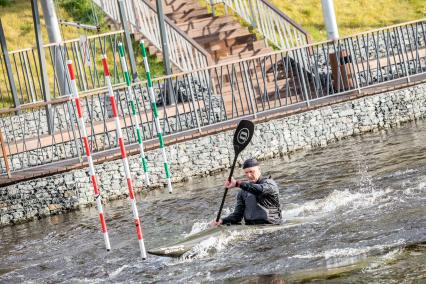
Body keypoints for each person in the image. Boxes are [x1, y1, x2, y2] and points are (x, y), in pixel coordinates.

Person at [212, 158, 282, 226]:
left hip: (271, 225)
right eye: (246, 172)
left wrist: (237, 184)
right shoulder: (242, 192)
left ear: (259, 170)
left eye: (251, 171)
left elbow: (259, 189)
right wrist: (222, 221)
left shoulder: (270, 184)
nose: (248, 175)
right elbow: (237, 216)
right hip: (251, 228)